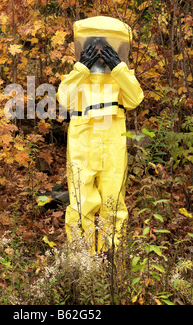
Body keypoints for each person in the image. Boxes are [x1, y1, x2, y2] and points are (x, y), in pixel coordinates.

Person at [57, 16, 144, 253]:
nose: (98, 55)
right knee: (80, 204)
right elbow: (64, 99)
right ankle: (82, 261)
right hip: (82, 145)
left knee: (113, 203)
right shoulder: (78, 75)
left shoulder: (120, 76)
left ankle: (111, 260)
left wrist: (119, 68)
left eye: (104, 49)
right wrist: (81, 68)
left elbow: (135, 99)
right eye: (93, 49)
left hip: (112, 146)